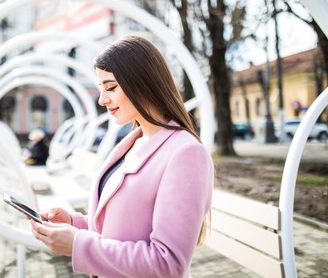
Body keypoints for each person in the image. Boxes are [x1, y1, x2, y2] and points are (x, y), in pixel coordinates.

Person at [30, 35, 214, 277]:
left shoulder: (186, 153)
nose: (102, 99)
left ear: (141, 82)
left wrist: (78, 244)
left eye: (111, 87)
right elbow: (124, 226)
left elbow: (167, 264)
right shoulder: (134, 141)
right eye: (101, 89)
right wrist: (74, 224)